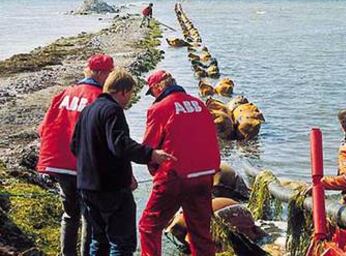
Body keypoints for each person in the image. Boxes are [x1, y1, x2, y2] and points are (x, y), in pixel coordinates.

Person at [70, 67, 175, 256]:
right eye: (131, 94)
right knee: (122, 243)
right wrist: (150, 154)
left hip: (86, 185)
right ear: (123, 91)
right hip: (111, 187)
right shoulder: (113, 110)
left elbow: (74, 145)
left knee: (98, 239)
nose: (129, 99)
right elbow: (120, 144)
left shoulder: (88, 110)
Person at [37, 53, 114, 256]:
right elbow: (108, 140)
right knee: (90, 216)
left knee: (70, 214)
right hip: (85, 167)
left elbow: (44, 129)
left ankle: (66, 254)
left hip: (60, 164)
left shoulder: (65, 93)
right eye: (110, 73)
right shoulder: (100, 99)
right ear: (101, 73)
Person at [139, 70, 221, 256]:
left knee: (149, 226)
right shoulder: (200, 104)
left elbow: (149, 149)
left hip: (175, 176)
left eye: (152, 92)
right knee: (201, 232)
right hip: (204, 174)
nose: (153, 97)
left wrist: (155, 173)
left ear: (159, 87)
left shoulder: (159, 108)